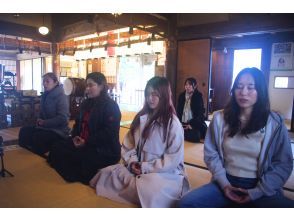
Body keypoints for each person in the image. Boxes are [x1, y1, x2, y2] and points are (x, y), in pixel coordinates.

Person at [177, 67, 294, 208]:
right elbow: (211, 153)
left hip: (261, 186)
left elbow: (283, 163)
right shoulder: (220, 118)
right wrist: (225, 184)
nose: (244, 92)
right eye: (239, 86)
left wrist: (258, 191)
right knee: (186, 204)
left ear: (261, 91)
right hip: (225, 181)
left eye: (251, 87)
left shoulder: (274, 122)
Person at [90, 76, 190, 208]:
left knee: (152, 190)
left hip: (163, 173)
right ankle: (135, 188)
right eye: (148, 94)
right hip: (136, 168)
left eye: (155, 94)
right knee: (106, 174)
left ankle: (136, 189)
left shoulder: (173, 123)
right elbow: (128, 145)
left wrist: (145, 167)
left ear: (164, 96)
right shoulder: (141, 118)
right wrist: (133, 163)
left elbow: (172, 160)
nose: (150, 98)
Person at [47, 72, 121, 184]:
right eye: (87, 85)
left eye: (91, 85)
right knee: (57, 148)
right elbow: (78, 124)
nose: (87, 89)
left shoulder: (110, 106)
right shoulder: (86, 103)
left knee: (79, 160)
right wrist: (75, 136)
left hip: (103, 149)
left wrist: (86, 141)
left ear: (101, 86)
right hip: (82, 142)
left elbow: (109, 133)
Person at [18, 72, 70, 156]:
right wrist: (39, 120)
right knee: (24, 131)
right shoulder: (45, 95)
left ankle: (36, 159)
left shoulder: (61, 96)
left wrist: (45, 122)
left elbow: (63, 118)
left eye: (47, 81)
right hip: (45, 127)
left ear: (55, 82)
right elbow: (42, 114)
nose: (44, 84)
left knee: (39, 137)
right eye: (43, 81)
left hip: (58, 130)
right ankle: (25, 155)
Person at [177, 77, 207, 143]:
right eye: (186, 85)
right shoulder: (181, 96)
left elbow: (200, 113)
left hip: (193, 123)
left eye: (190, 85)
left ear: (195, 86)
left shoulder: (198, 96)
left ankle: (183, 134)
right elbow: (178, 111)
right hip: (183, 123)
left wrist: (191, 124)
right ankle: (183, 133)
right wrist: (178, 123)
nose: (187, 87)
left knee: (197, 135)